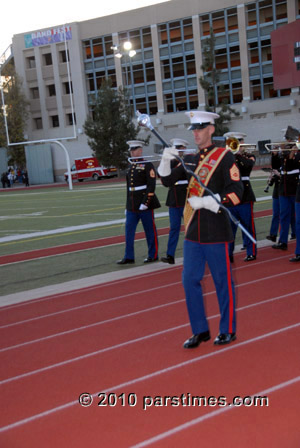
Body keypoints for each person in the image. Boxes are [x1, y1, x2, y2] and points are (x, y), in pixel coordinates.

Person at [158, 111, 244, 348]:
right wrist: (166, 159)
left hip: (216, 231)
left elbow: (237, 193)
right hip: (194, 232)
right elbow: (166, 181)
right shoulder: (192, 159)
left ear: (211, 129)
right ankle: (200, 330)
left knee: (222, 282)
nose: (195, 133)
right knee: (189, 281)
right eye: (193, 129)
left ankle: (227, 329)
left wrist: (210, 202)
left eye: (200, 128)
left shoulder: (224, 157)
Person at [117, 140, 161, 265]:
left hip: (144, 203)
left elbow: (151, 185)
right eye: (131, 150)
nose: (131, 152)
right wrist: (127, 205)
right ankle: (129, 256)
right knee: (129, 231)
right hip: (132, 204)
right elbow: (129, 188)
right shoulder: (131, 166)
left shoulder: (147, 165)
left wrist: (146, 202)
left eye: (134, 149)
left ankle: (153, 254)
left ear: (140, 150)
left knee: (149, 230)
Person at [224, 132, 257, 262]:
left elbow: (248, 165)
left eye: (238, 141)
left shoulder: (249, 156)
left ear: (243, 142)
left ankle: (251, 252)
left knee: (248, 225)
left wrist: (237, 154)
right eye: (233, 141)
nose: (236, 144)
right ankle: (229, 254)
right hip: (231, 196)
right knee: (230, 228)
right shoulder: (226, 158)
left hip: (245, 195)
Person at [161, 138, 190, 264]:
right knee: (174, 228)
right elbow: (165, 180)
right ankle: (170, 255)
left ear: (184, 149)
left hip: (186, 198)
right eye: (175, 147)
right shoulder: (171, 162)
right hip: (173, 199)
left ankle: (194, 253)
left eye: (180, 147)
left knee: (190, 228)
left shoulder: (188, 162)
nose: (177, 150)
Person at [271, 132, 298, 251]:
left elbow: (293, 162)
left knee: (297, 217)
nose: (285, 141)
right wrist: (275, 155)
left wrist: (292, 150)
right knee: (284, 215)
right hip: (284, 188)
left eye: (287, 139)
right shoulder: (284, 153)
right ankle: (283, 241)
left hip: (295, 187)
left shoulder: (296, 152)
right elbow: (276, 166)